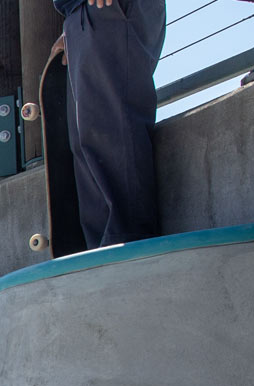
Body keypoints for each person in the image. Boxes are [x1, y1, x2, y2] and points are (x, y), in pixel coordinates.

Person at [55, 0, 166, 247]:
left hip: (103, 9)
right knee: (90, 143)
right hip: (84, 13)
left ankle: (128, 251)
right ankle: (107, 255)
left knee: (110, 131)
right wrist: (74, 22)